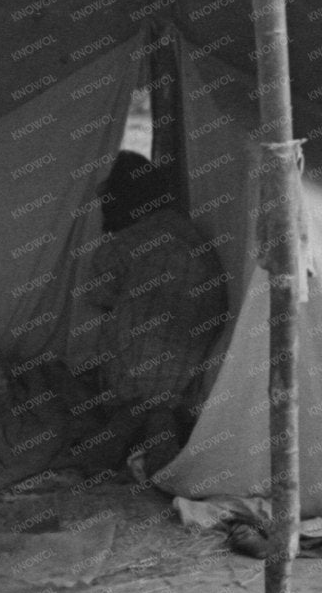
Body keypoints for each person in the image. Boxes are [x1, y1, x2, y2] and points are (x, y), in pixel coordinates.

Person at [67, 152, 231, 473]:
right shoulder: (183, 228)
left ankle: (133, 426)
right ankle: (156, 422)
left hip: (144, 352)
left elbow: (99, 299)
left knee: (128, 378)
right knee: (159, 385)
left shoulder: (122, 243)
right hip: (195, 340)